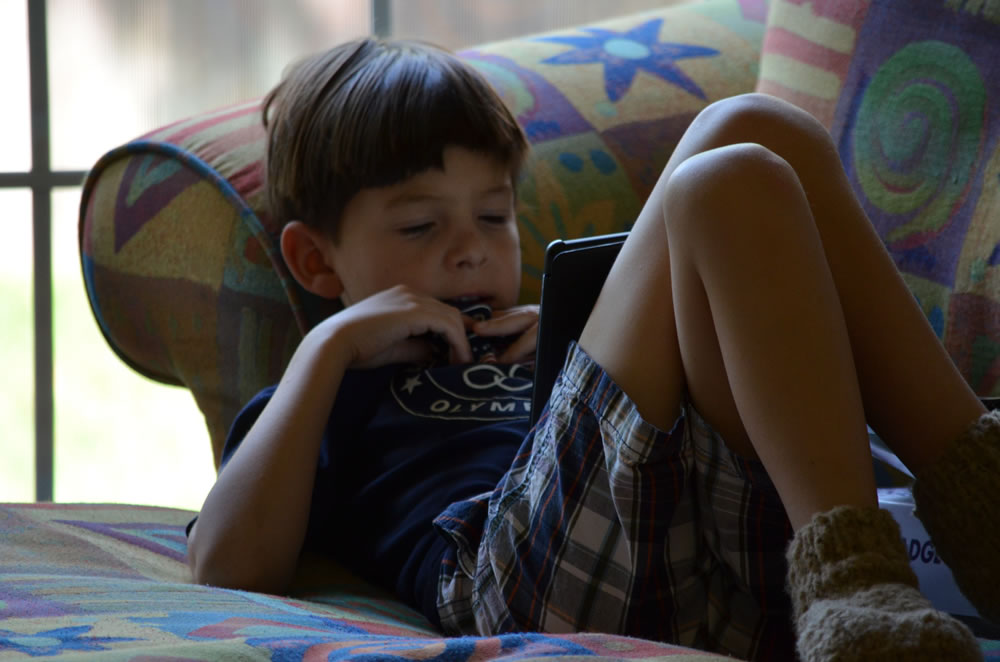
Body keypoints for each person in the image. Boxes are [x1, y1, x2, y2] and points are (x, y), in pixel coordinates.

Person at [186, 36, 999, 662]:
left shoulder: (543, 332)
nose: (470, 252)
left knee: (755, 133)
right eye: (420, 226)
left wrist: (589, 345)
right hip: (524, 585)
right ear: (315, 261)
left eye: (494, 217)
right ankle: (856, 576)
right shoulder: (328, 394)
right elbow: (227, 563)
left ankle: (972, 512)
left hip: (735, 557)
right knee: (718, 169)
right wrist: (326, 352)